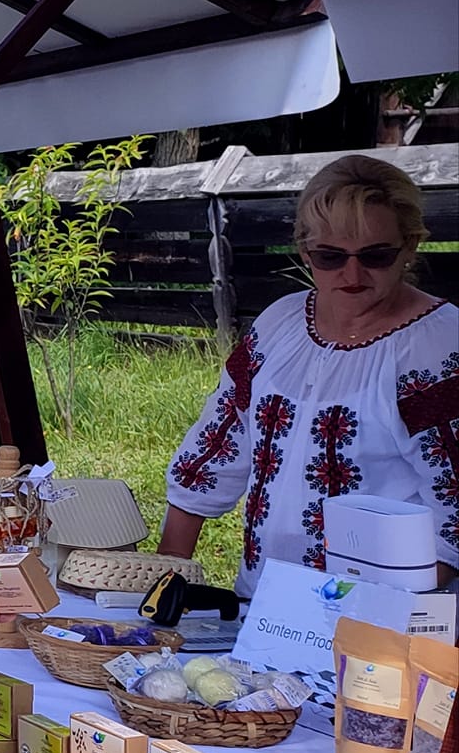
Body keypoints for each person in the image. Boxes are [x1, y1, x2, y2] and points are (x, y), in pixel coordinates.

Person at [162, 154, 457, 592]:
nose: (352, 273)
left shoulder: (441, 347)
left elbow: (455, 511)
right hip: (264, 602)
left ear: (410, 246)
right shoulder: (278, 324)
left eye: (376, 255)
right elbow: (217, 446)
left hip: (382, 613)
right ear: (304, 250)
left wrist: (358, 608)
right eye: (329, 256)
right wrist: (165, 573)